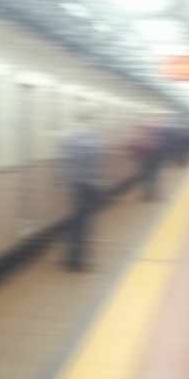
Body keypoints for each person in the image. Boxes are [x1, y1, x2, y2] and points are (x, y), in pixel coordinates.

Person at [59, 110, 105, 271]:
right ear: (90, 120)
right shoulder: (91, 140)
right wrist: (97, 185)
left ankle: (71, 256)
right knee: (85, 223)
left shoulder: (66, 137)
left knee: (76, 221)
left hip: (73, 183)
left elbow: (64, 160)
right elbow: (93, 166)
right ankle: (79, 259)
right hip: (86, 185)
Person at [129, 120, 163, 201]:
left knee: (149, 178)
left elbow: (146, 148)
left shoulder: (146, 137)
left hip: (148, 160)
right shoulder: (153, 136)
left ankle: (150, 196)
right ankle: (151, 195)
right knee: (151, 178)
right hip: (151, 160)